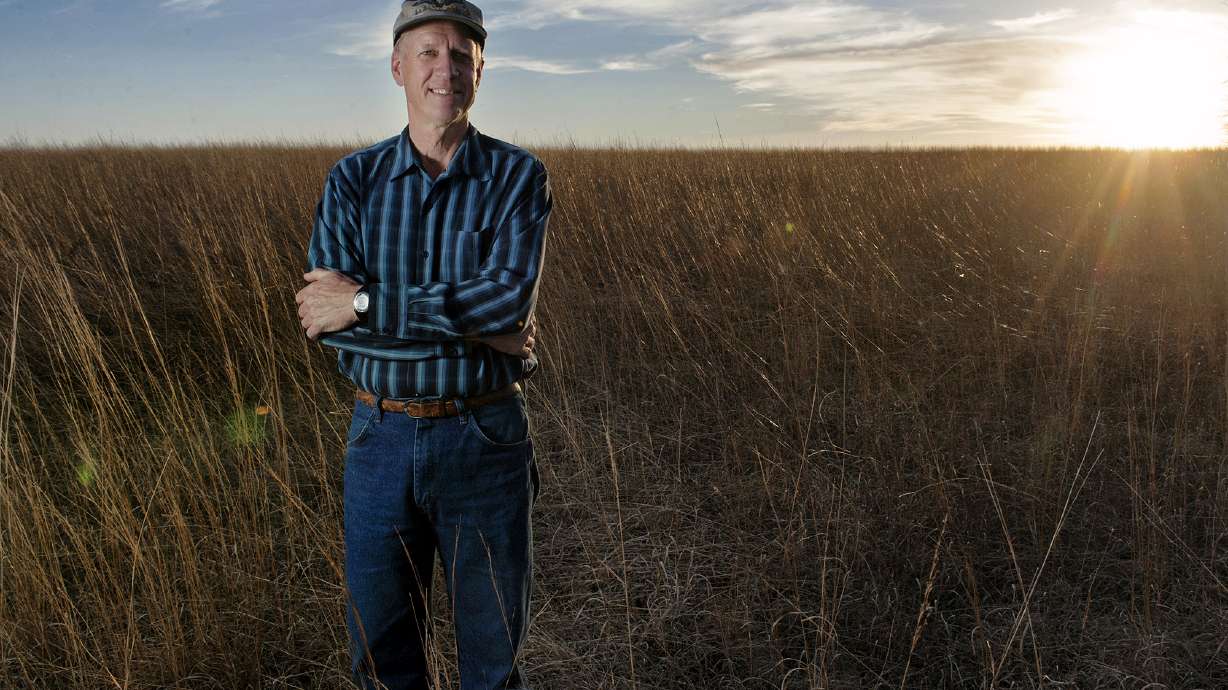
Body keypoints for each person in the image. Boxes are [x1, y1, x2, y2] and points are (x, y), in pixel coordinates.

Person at [294, 1, 551, 687]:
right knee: (382, 660)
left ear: (481, 70)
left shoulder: (518, 177)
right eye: (429, 53)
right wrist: (481, 329)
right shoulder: (353, 180)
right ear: (397, 66)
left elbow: (509, 302)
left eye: (462, 55)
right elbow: (323, 317)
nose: (446, 69)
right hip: (378, 437)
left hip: (484, 436)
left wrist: (366, 303)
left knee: (493, 662)